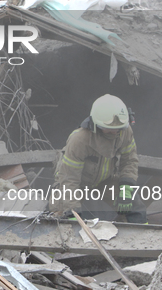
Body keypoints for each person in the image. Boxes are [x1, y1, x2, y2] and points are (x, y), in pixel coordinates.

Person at [49, 94, 147, 223]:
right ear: (96, 125)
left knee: (135, 207)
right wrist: (72, 212)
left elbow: (129, 161)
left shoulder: (125, 131)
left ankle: (142, 239)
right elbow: (69, 179)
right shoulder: (79, 140)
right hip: (77, 183)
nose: (116, 133)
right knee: (61, 212)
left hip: (106, 180)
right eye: (111, 130)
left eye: (119, 129)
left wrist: (126, 190)